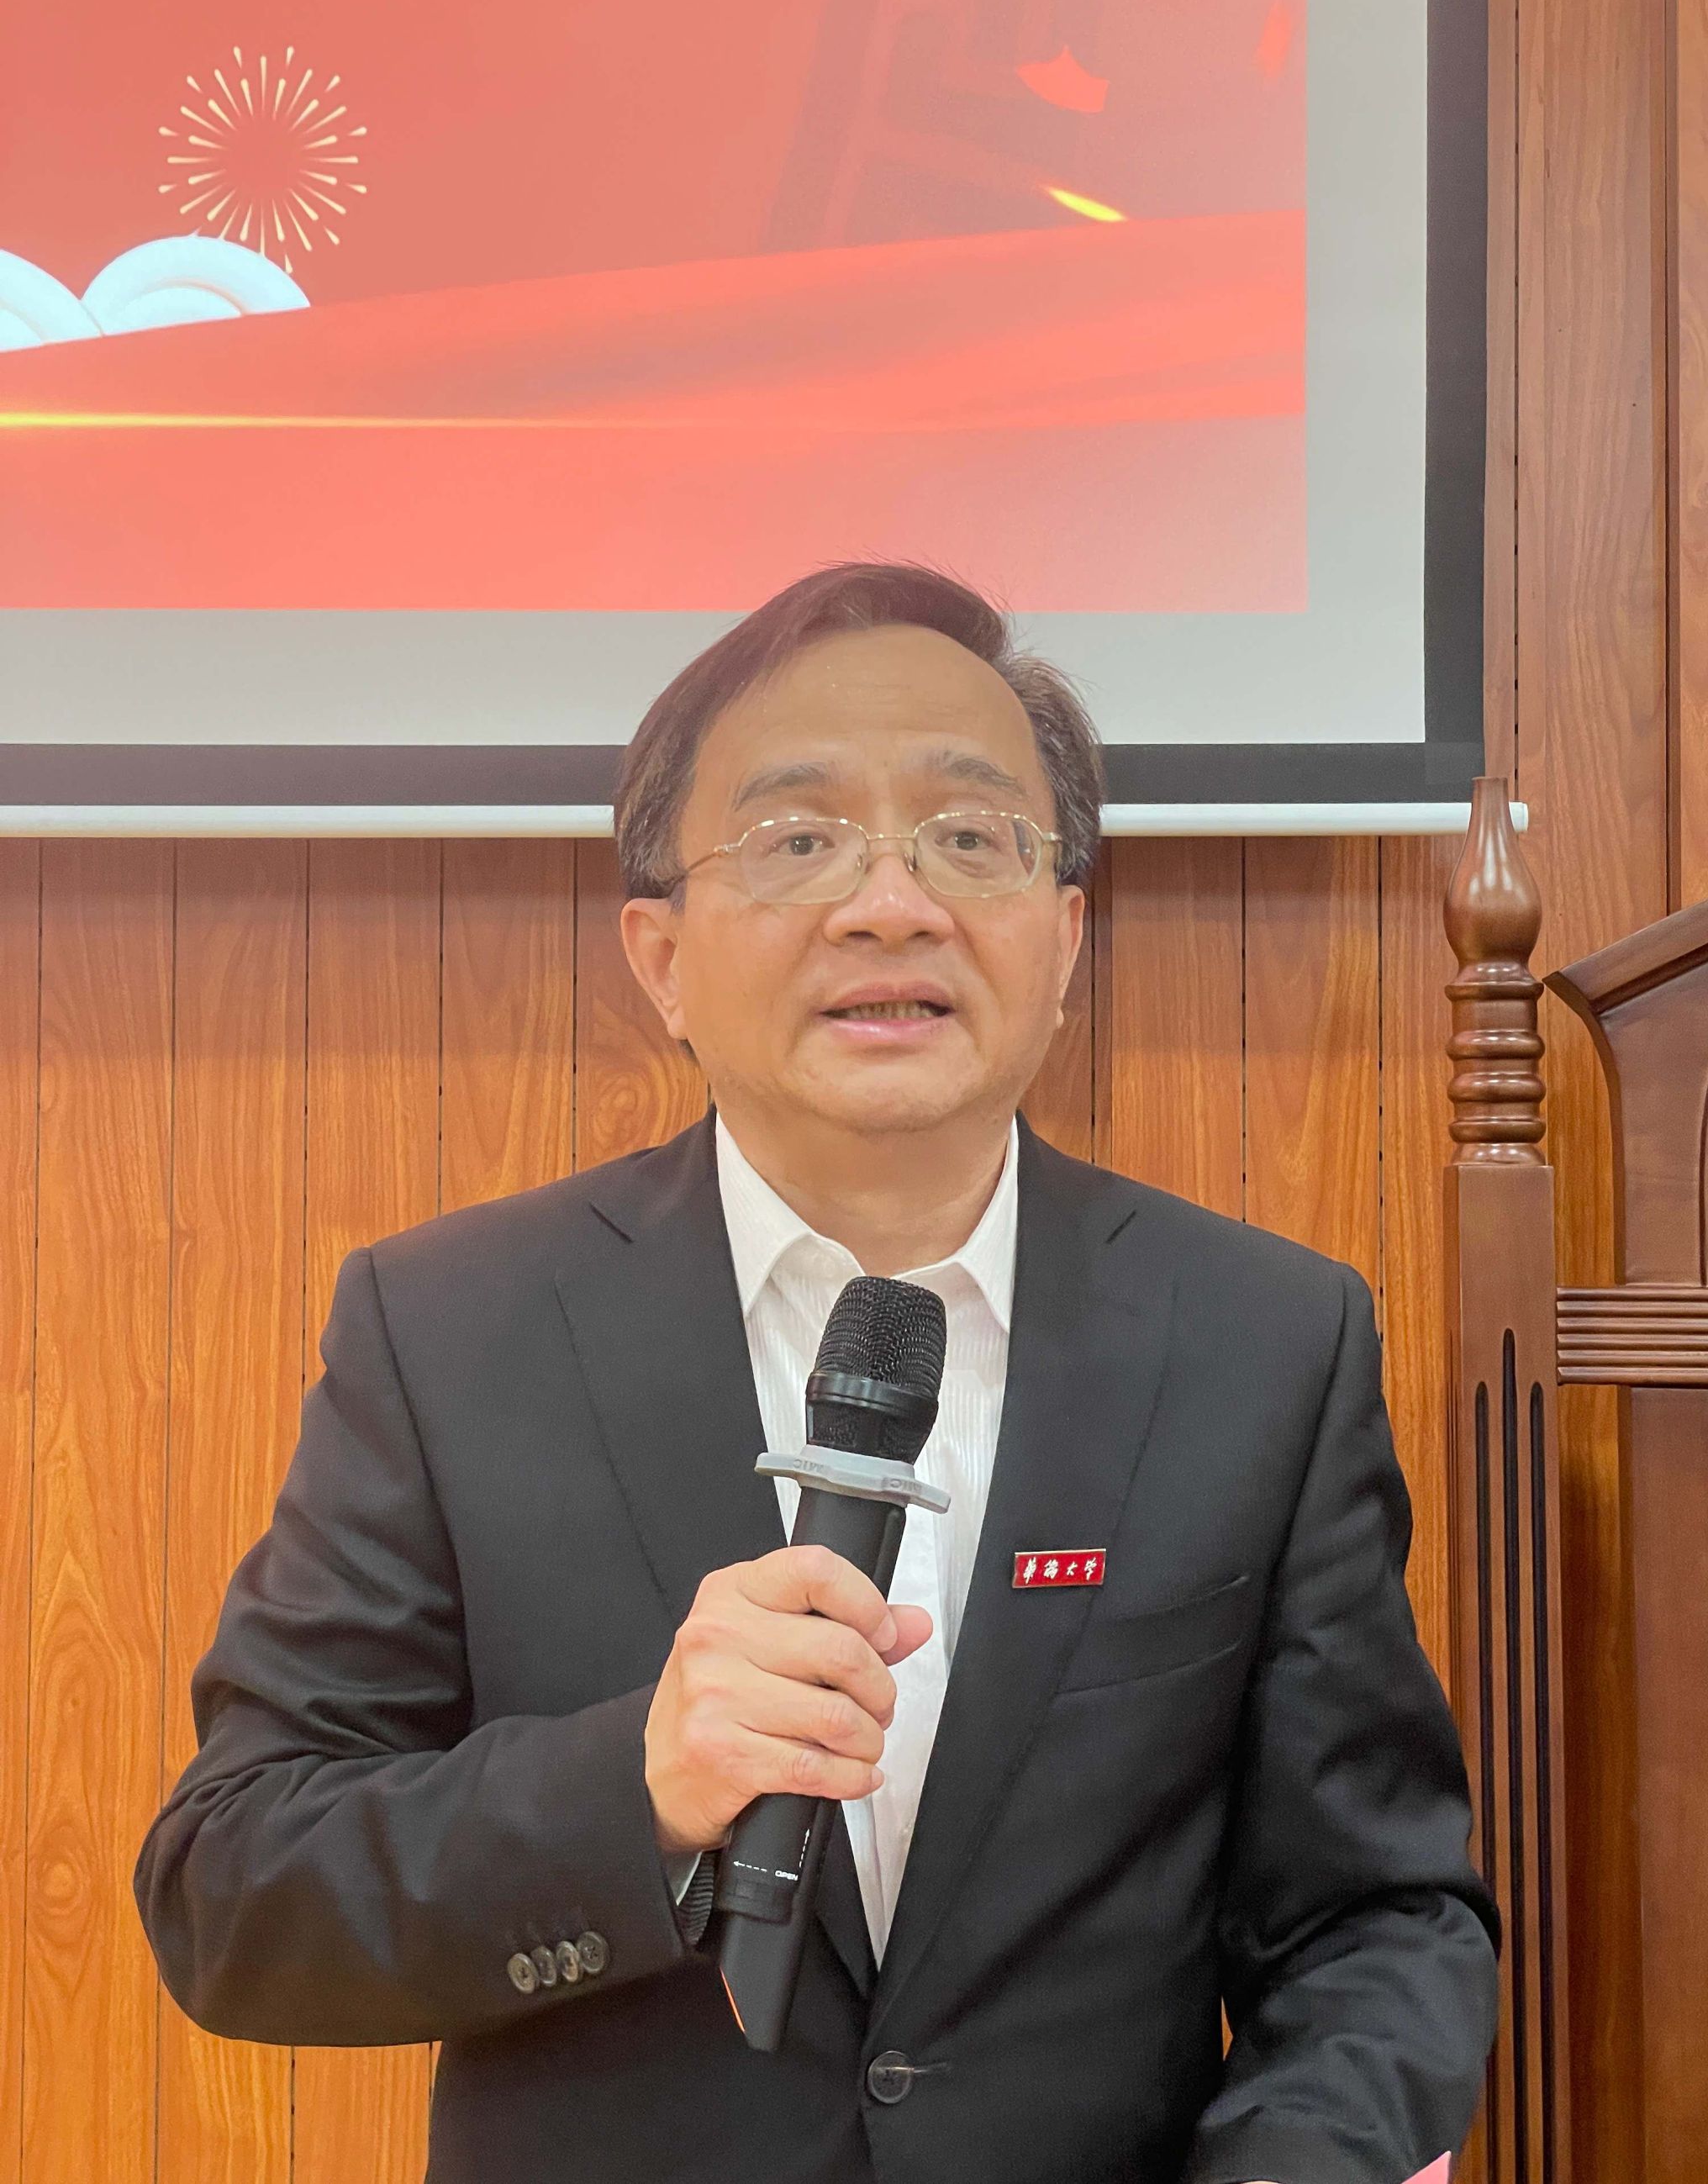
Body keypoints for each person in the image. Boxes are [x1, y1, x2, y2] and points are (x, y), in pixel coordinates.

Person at [135, 562, 1499, 2184]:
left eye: (970, 837)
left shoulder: (1264, 1338)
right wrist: (636, 1785)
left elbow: (1376, 1917)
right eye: (798, 841)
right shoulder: (452, 1330)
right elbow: (234, 1888)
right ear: (661, 955)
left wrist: (1301, 2160)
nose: (890, 903)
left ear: (1065, 937)